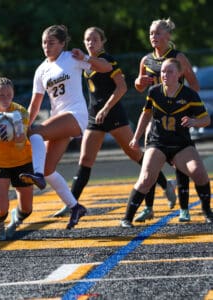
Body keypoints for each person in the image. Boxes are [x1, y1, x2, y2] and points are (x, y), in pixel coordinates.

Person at [52, 26, 176, 218]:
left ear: (103, 41)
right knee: (85, 160)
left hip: (113, 114)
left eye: (95, 39)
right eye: (87, 40)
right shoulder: (85, 62)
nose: (90, 43)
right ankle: (72, 203)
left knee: (135, 154)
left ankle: (165, 184)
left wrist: (106, 109)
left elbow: (122, 87)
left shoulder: (107, 60)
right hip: (95, 116)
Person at [18, 24, 113, 229]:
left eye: (51, 42)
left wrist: (86, 58)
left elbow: (107, 67)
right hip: (59, 119)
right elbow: (35, 104)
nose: (46, 46)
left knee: (36, 133)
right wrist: (24, 122)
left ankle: (37, 176)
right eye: (44, 42)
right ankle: (75, 206)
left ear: (62, 44)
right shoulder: (41, 69)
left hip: (75, 115)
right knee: (48, 167)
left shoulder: (71, 57)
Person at [120, 58, 213, 228]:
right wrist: (135, 137)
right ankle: (127, 218)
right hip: (158, 142)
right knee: (147, 177)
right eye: (163, 71)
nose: (165, 75)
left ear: (179, 74)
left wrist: (194, 122)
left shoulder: (189, 94)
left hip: (181, 144)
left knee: (199, 173)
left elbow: (206, 119)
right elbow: (146, 115)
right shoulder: (154, 91)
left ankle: (207, 211)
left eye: (169, 71)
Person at [134, 18, 200, 223]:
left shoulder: (178, 57)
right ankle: (149, 207)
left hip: (177, 120)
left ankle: (184, 209)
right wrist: (139, 82)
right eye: (151, 33)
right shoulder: (146, 60)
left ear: (168, 35)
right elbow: (139, 86)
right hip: (155, 121)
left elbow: (194, 86)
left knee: (181, 164)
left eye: (157, 33)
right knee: (149, 166)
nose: (153, 37)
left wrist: (185, 107)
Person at [0, 77, 34, 241]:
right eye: (1, 95)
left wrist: (17, 134)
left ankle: (15, 220)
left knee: (27, 209)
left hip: (22, 161)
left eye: (9, 95)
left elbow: (20, 145)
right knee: (2, 208)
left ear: (13, 94)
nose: (5, 98)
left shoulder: (21, 112)